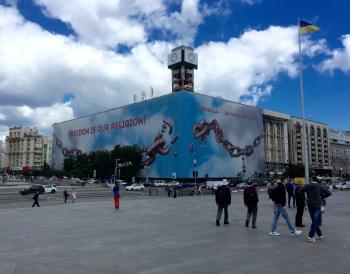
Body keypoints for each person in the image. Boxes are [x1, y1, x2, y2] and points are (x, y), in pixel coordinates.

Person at [304, 177, 331, 243]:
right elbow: (329, 193)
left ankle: (319, 234)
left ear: (312, 180)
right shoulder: (319, 186)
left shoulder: (307, 186)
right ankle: (310, 237)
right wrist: (321, 196)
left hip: (310, 205)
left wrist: (306, 198)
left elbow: (299, 192)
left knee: (314, 220)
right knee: (315, 221)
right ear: (317, 181)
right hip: (317, 205)